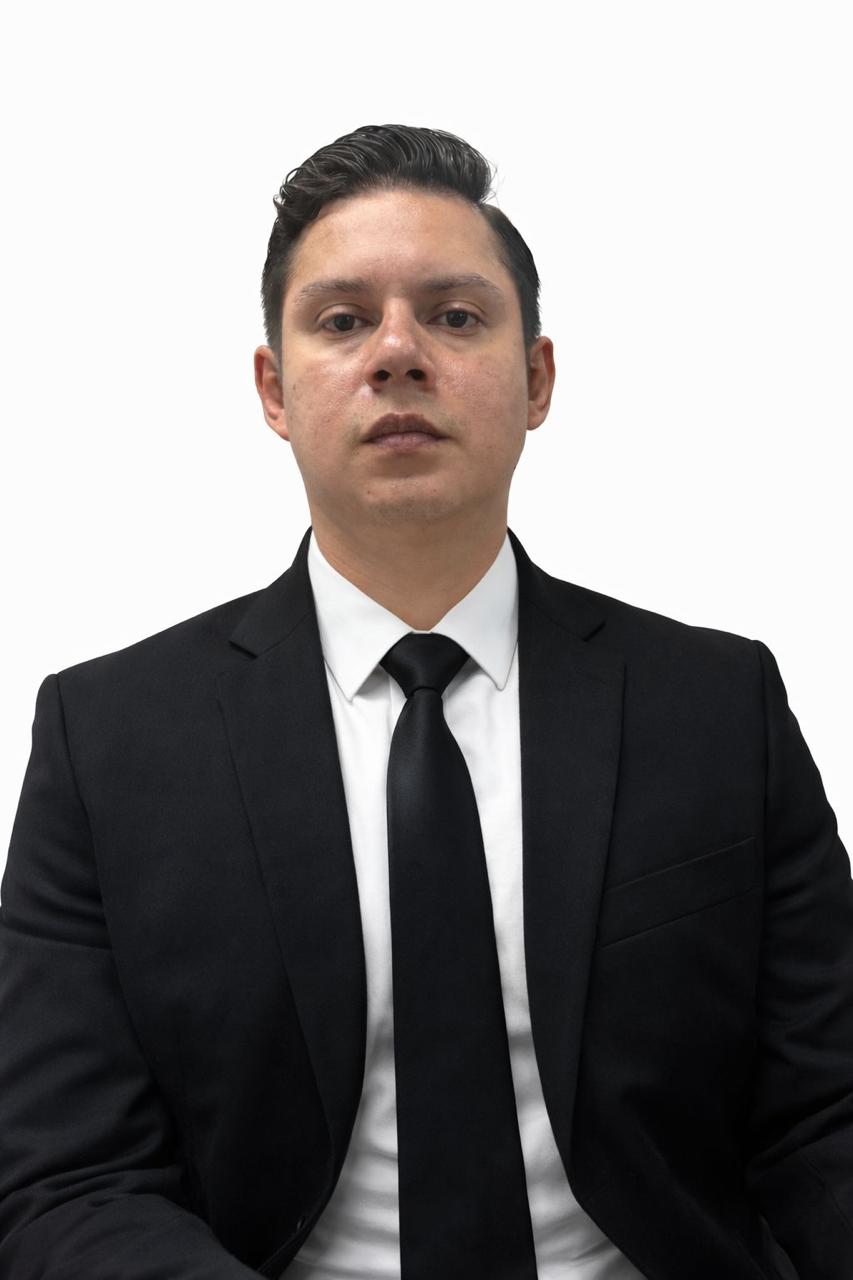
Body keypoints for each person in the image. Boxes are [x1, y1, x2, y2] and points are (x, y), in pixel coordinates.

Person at [0, 123, 851, 1280]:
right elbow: (68, 1176)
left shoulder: (715, 707)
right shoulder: (108, 739)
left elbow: (823, 1117)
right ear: (274, 390)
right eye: (342, 319)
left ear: (536, 378)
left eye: (453, 316)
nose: (397, 352)